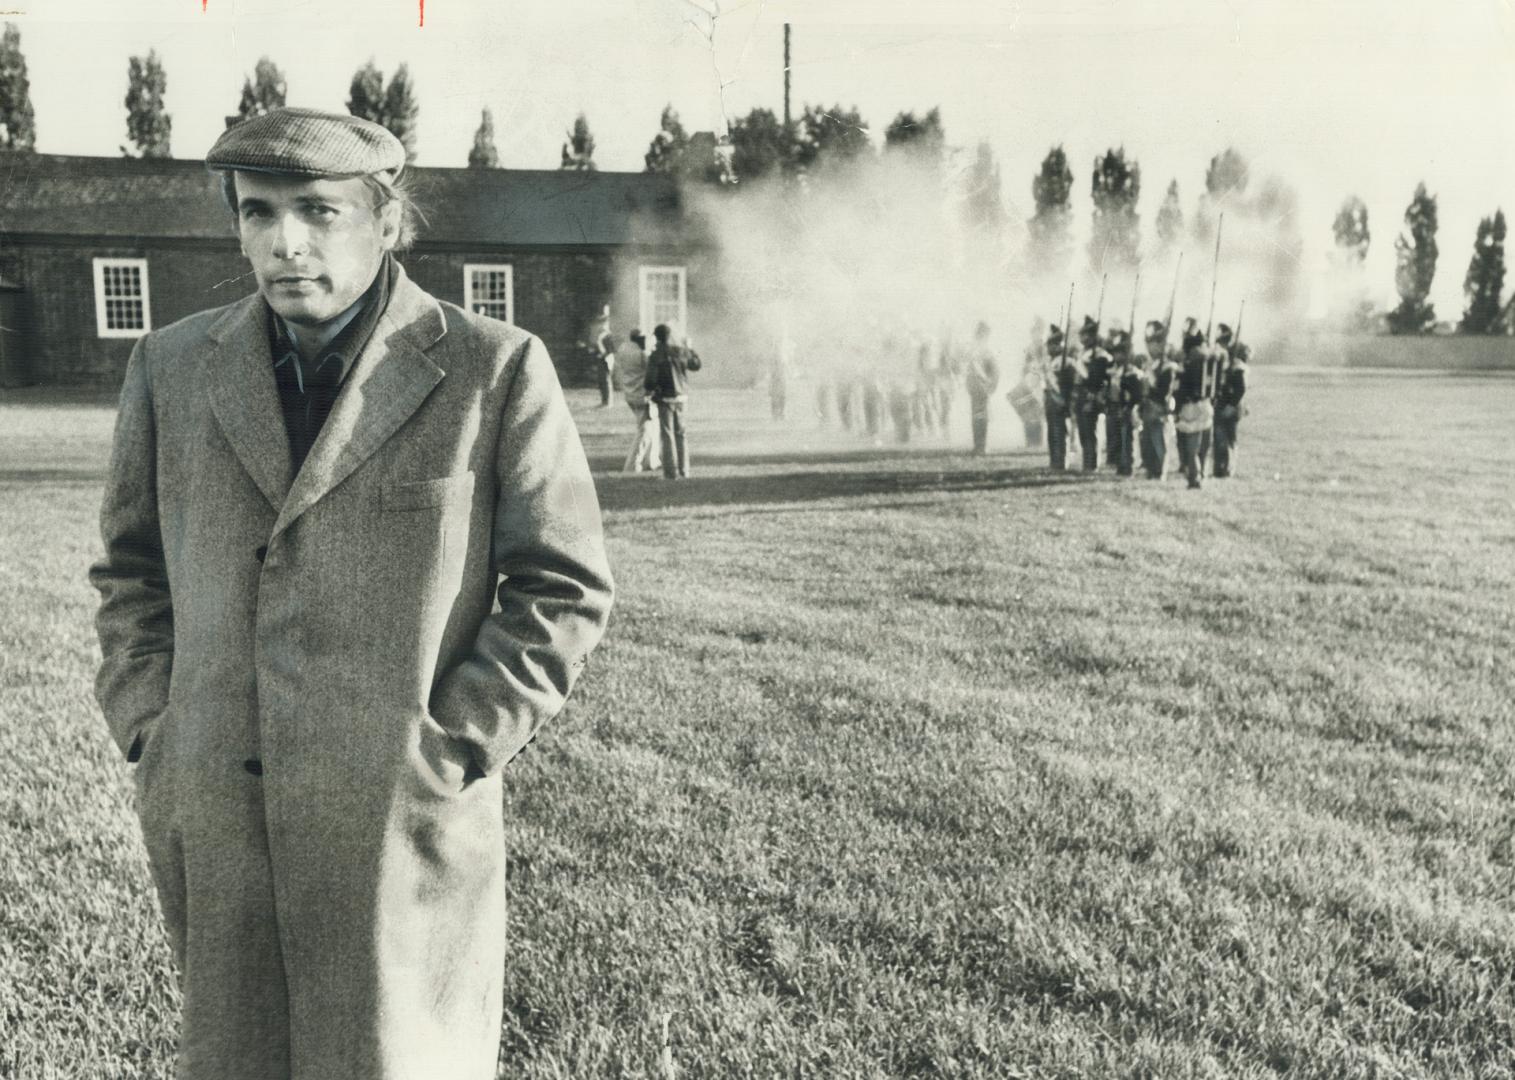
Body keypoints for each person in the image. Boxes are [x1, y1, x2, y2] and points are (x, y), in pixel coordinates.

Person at [87, 108, 615, 1080]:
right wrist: (153, 728)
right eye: (258, 214)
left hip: (397, 825)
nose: (285, 243)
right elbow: (130, 574)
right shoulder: (168, 367)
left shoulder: (493, 370)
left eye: (318, 211)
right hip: (218, 813)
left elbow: (564, 586)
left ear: (386, 218)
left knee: (397, 1058)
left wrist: (446, 750)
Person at [645, 322, 702, 478]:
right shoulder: (679, 351)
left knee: (667, 435)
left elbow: (650, 381)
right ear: (669, 336)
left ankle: (670, 473)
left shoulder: (655, 355)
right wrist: (689, 348)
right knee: (681, 434)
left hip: (665, 398)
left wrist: (650, 390)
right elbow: (696, 365)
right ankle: (685, 470)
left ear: (656, 337)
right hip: (681, 397)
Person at [1173, 317, 1216, 489]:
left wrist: (1177, 408)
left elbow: (1181, 387)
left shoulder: (1189, 360)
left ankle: (1195, 478)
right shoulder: (1208, 355)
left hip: (1191, 406)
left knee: (1191, 446)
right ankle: (1201, 473)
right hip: (1206, 404)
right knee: (1203, 446)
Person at [1136, 319, 1179, 480]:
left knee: (1159, 442)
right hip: (1149, 408)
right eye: (1149, 343)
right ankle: (1151, 470)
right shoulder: (1152, 365)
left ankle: (1160, 471)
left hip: (1160, 409)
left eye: (1154, 343)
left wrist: (1152, 380)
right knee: (1147, 442)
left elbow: (1164, 391)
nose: (1150, 347)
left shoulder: (1168, 367)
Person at [616, 328, 660, 473]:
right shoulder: (641, 353)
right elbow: (651, 367)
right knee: (645, 430)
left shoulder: (623, 349)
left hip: (630, 394)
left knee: (650, 427)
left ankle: (651, 461)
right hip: (643, 396)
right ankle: (632, 464)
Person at [1074, 316, 1111, 472]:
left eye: (1087, 334)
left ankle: (1091, 464)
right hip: (1081, 394)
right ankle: (1087, 463)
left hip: (1091, 394)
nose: (1083, 338)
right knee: (1083, 431)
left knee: (1090, 431)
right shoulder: (1083, 352)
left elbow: (1095, 378)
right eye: (1082, 334)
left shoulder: (1100, 355)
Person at [1108, 328, 1143, 477]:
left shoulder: (1132, 372)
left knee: (1127, 438)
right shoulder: (1115, 370)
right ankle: (1119, 465)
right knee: (1116, 437)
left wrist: (1128, 407)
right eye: (1115, 353)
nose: (1116, 356)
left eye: (1120, 353)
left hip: (1127, 408)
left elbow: (1135, 394)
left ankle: (1127, 465)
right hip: (1115, 406)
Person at [1042, 323, 1076, 470]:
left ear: (1058, 345)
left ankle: (1061, 461)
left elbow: (1068, 384)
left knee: (1060, 432)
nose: (1048, 348)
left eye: (1051, 345)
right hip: (1050, 401)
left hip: (1061, 401)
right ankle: (1054, 461)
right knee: (1052, 433)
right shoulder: (1051, 362)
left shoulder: (1067, 362)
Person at [1212, 339, 1249, 477]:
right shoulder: (1226, 366)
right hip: (1223, 405)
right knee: (1219, 438)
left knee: (1229, 439)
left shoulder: (1238, 368)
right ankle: (1220, 468)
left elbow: (1241, 389)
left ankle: (1228, 469)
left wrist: (1231, 405)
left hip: (1230, 407)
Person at [963, 320, 1000, 455]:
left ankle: (982, 446)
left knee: (981, 416)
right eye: (979, 334)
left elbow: (994, 371)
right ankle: (977, 445)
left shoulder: (988, 352)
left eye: (982, 334)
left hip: (983, 388)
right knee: (976, 416)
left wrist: (990, 385)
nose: (979, 337)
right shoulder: (975, 350)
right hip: (975, 388)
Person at [594, 314, 616, 406]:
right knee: (601, 380)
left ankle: (607, 401)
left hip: (607, 359)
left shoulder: (608, 335)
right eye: (600, 323)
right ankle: (603, 400)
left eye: (603, 323)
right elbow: (597, 347)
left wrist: (604, 355)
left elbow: (611, 349)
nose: (601, 325)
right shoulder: (600, 335)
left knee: (606, 380)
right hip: (601, 359)